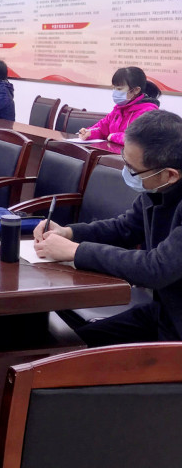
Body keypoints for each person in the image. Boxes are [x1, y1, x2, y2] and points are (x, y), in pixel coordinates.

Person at [33, 110, 182, 347]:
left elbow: (157, 268)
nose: (127, 173)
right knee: (72, 345)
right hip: (162, 314)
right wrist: (69, 233)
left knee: (73, 359)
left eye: (132, 169)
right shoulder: (158, 186)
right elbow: (125, 228)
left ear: (170, 175)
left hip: (176, 331)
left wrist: (75, 251)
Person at [77, 66, 161, 144]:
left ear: (136, 90)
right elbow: (102, 128)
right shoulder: (119, 109)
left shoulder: (148, 112)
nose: (115, 92)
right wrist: (89, 133)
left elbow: (138, 139)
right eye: (114, 88)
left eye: (119, 89)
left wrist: (114, 137)